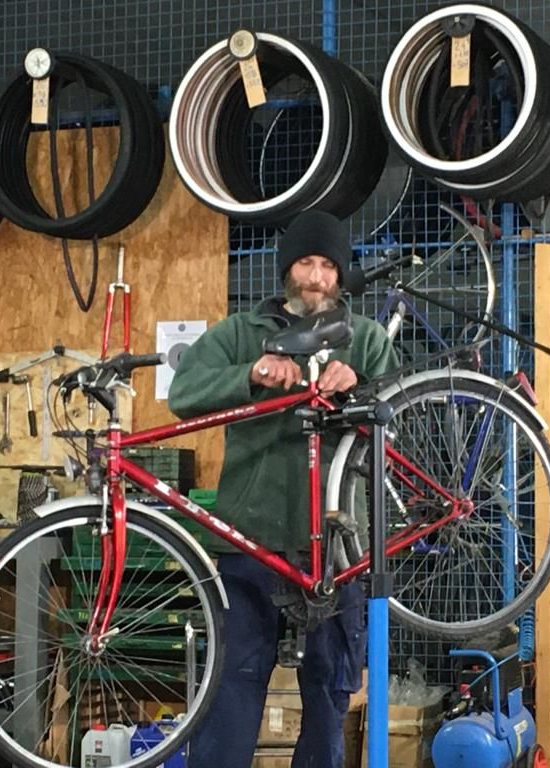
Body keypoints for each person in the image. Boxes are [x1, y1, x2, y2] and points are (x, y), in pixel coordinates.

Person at [168, 209, 398, 768]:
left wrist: (360, 386)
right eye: (305, 263)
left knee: (329, 692)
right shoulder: (240, 334)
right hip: (250, 541)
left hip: (338, 549)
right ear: (286, 269)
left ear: (340, 276)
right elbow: (183, 393)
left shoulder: (366, 340)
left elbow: (399, 417)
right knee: (232, 687)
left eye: (327, 266)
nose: (316, 277)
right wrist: (249, 374)